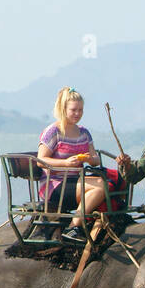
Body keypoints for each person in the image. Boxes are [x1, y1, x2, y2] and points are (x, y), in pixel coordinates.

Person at [37, 86, 109, 242]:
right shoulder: (53, 131)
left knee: (103, 184)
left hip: (75, 181)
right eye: (74, 110)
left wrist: (90, 159)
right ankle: (73, 226)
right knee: (100, 186)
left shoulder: (84, 132)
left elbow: (95, 159)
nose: (77, 114)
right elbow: (40, 160)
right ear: (63, 109)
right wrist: (65, 163)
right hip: (55, 184)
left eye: (81, 110)